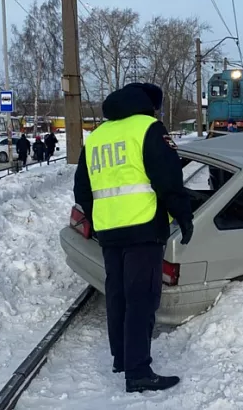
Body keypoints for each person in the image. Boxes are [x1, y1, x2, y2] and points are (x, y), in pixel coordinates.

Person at [73, 82, 193, 393]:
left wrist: (100, 218)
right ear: (150, 105)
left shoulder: (97, 136)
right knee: (142, 299)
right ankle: (138, 371)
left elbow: (82, 190)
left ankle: (122, 358)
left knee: (118, 296)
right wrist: (183, 214)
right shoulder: (149, 128)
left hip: (109, 232)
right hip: (143, 228)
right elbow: (168, 178)